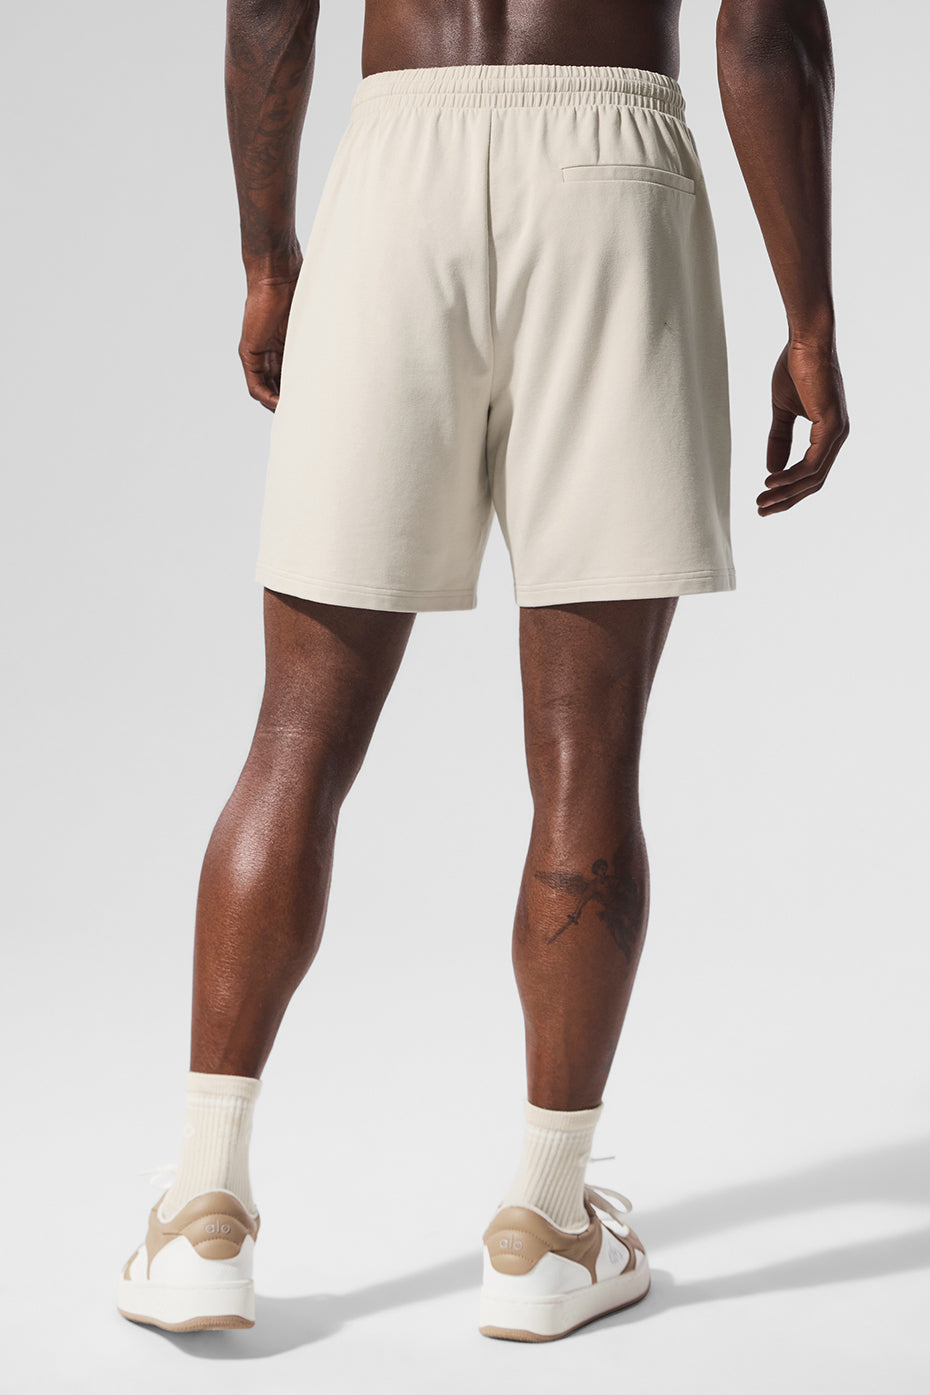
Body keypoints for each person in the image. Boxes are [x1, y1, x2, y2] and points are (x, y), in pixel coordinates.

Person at [116, 0, 849, 1342]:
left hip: (398, 168)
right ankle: (546, 1229)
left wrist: (268, 255)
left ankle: (202, 1211)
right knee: (585, 760)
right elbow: (765, 37)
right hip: (612, 173)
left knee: (295, 738)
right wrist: (808, 315)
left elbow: (271, 13)